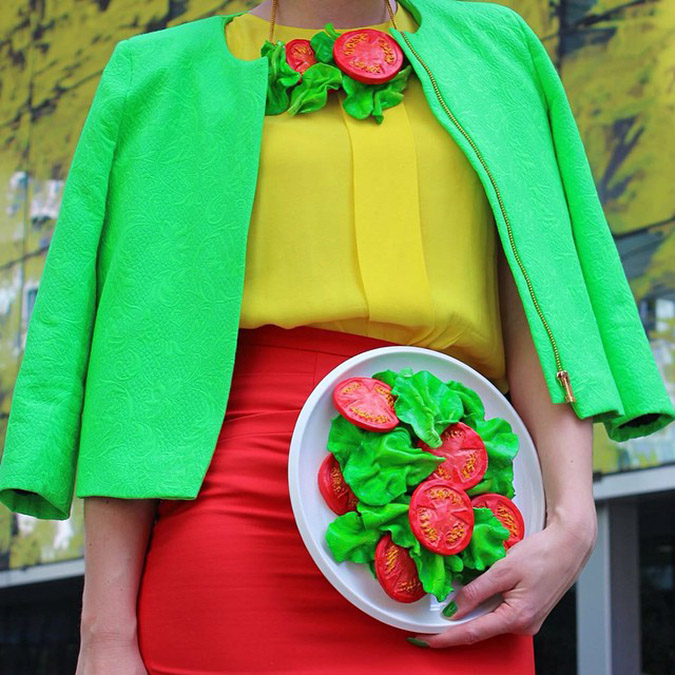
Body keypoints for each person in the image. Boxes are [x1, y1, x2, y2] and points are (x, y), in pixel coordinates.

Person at [0, 0, 672, 673]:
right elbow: (134, 365)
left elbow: (542, 299)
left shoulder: (498, 49)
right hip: (234, 524)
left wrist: (572, 518)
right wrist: (104, 634)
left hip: (454, 535)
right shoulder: (157, 76)